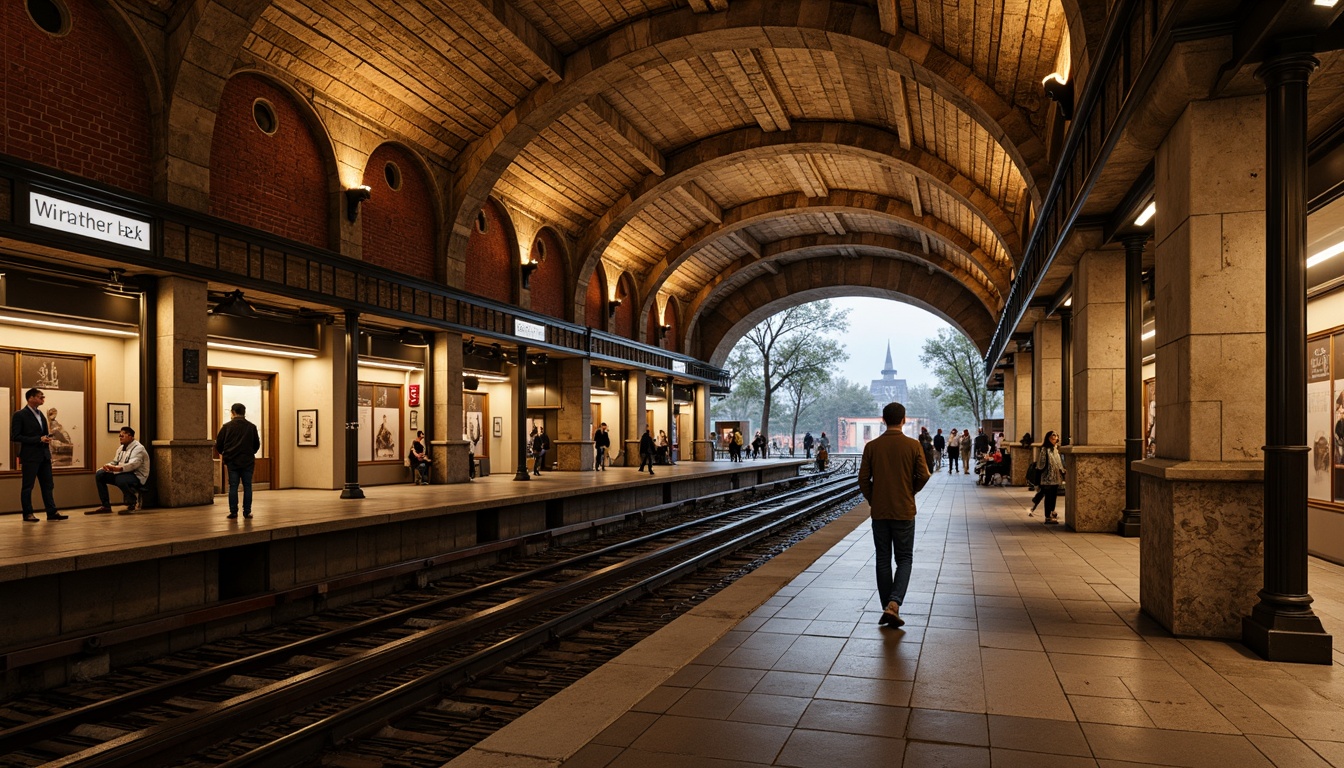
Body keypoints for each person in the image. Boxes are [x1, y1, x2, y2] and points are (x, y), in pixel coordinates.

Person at [858, 402, 931, 628]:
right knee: (904, 559)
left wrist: (874, 498)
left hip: (880, 511)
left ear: (883, 419)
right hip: (904, 510)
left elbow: (863, 479)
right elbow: (925, 475)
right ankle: (894, 604)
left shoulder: (872, 446)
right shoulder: (912, 445)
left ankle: (887, 606)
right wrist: (910, 491)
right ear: (904, 419)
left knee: (882, 558)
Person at [10, 388, 67, 522]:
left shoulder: (40, 414)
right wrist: (38, 439)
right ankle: (28, 513)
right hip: (30, 456)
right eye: (40, 397)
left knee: (48, 485)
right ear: (31, 398)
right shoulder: (20, 415)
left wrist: (47, 438)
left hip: (44, 455)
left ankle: (51, 512)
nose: (43, 399)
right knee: (28, 486)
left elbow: (42, 433)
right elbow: (16, 436)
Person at [88, 426, 150, 514]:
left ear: (130, 436)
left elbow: (133, 465)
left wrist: (117, 469)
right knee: (100, 474)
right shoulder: (121, 448)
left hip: (136, 475)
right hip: (121, 473)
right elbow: (115, 461)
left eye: (122, 436)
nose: (120, 438)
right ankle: (106, 506)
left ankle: (131, 501)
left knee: (120, 479)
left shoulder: (139, 448)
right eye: (119, 436)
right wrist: (106, 467)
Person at [215, 402, 261, 519]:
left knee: (233, 486)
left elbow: (219, 444)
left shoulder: (226, 427)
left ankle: (233, 511)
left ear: (233, 412)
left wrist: (225, 453)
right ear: (244, 413)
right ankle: (247, 511)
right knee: (247, 486)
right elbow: (256, 445)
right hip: (247, 461)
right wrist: (250, 453)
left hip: (232, 461)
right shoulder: (251, 427)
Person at [1031, 430, 1067, 524]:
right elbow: (1040, 465)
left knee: (1053, 496)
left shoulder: (1055, 449)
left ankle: (1052, 512)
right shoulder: (1044, 449)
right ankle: (1048, 516)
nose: (1055, 438)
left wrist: (1062, 471)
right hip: (1047, 478)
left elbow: (1058, 463)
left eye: (1056, 436)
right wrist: (1037, 481)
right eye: (1053, 436)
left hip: (1055, 478)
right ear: (1048, 438)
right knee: (1049, 497)